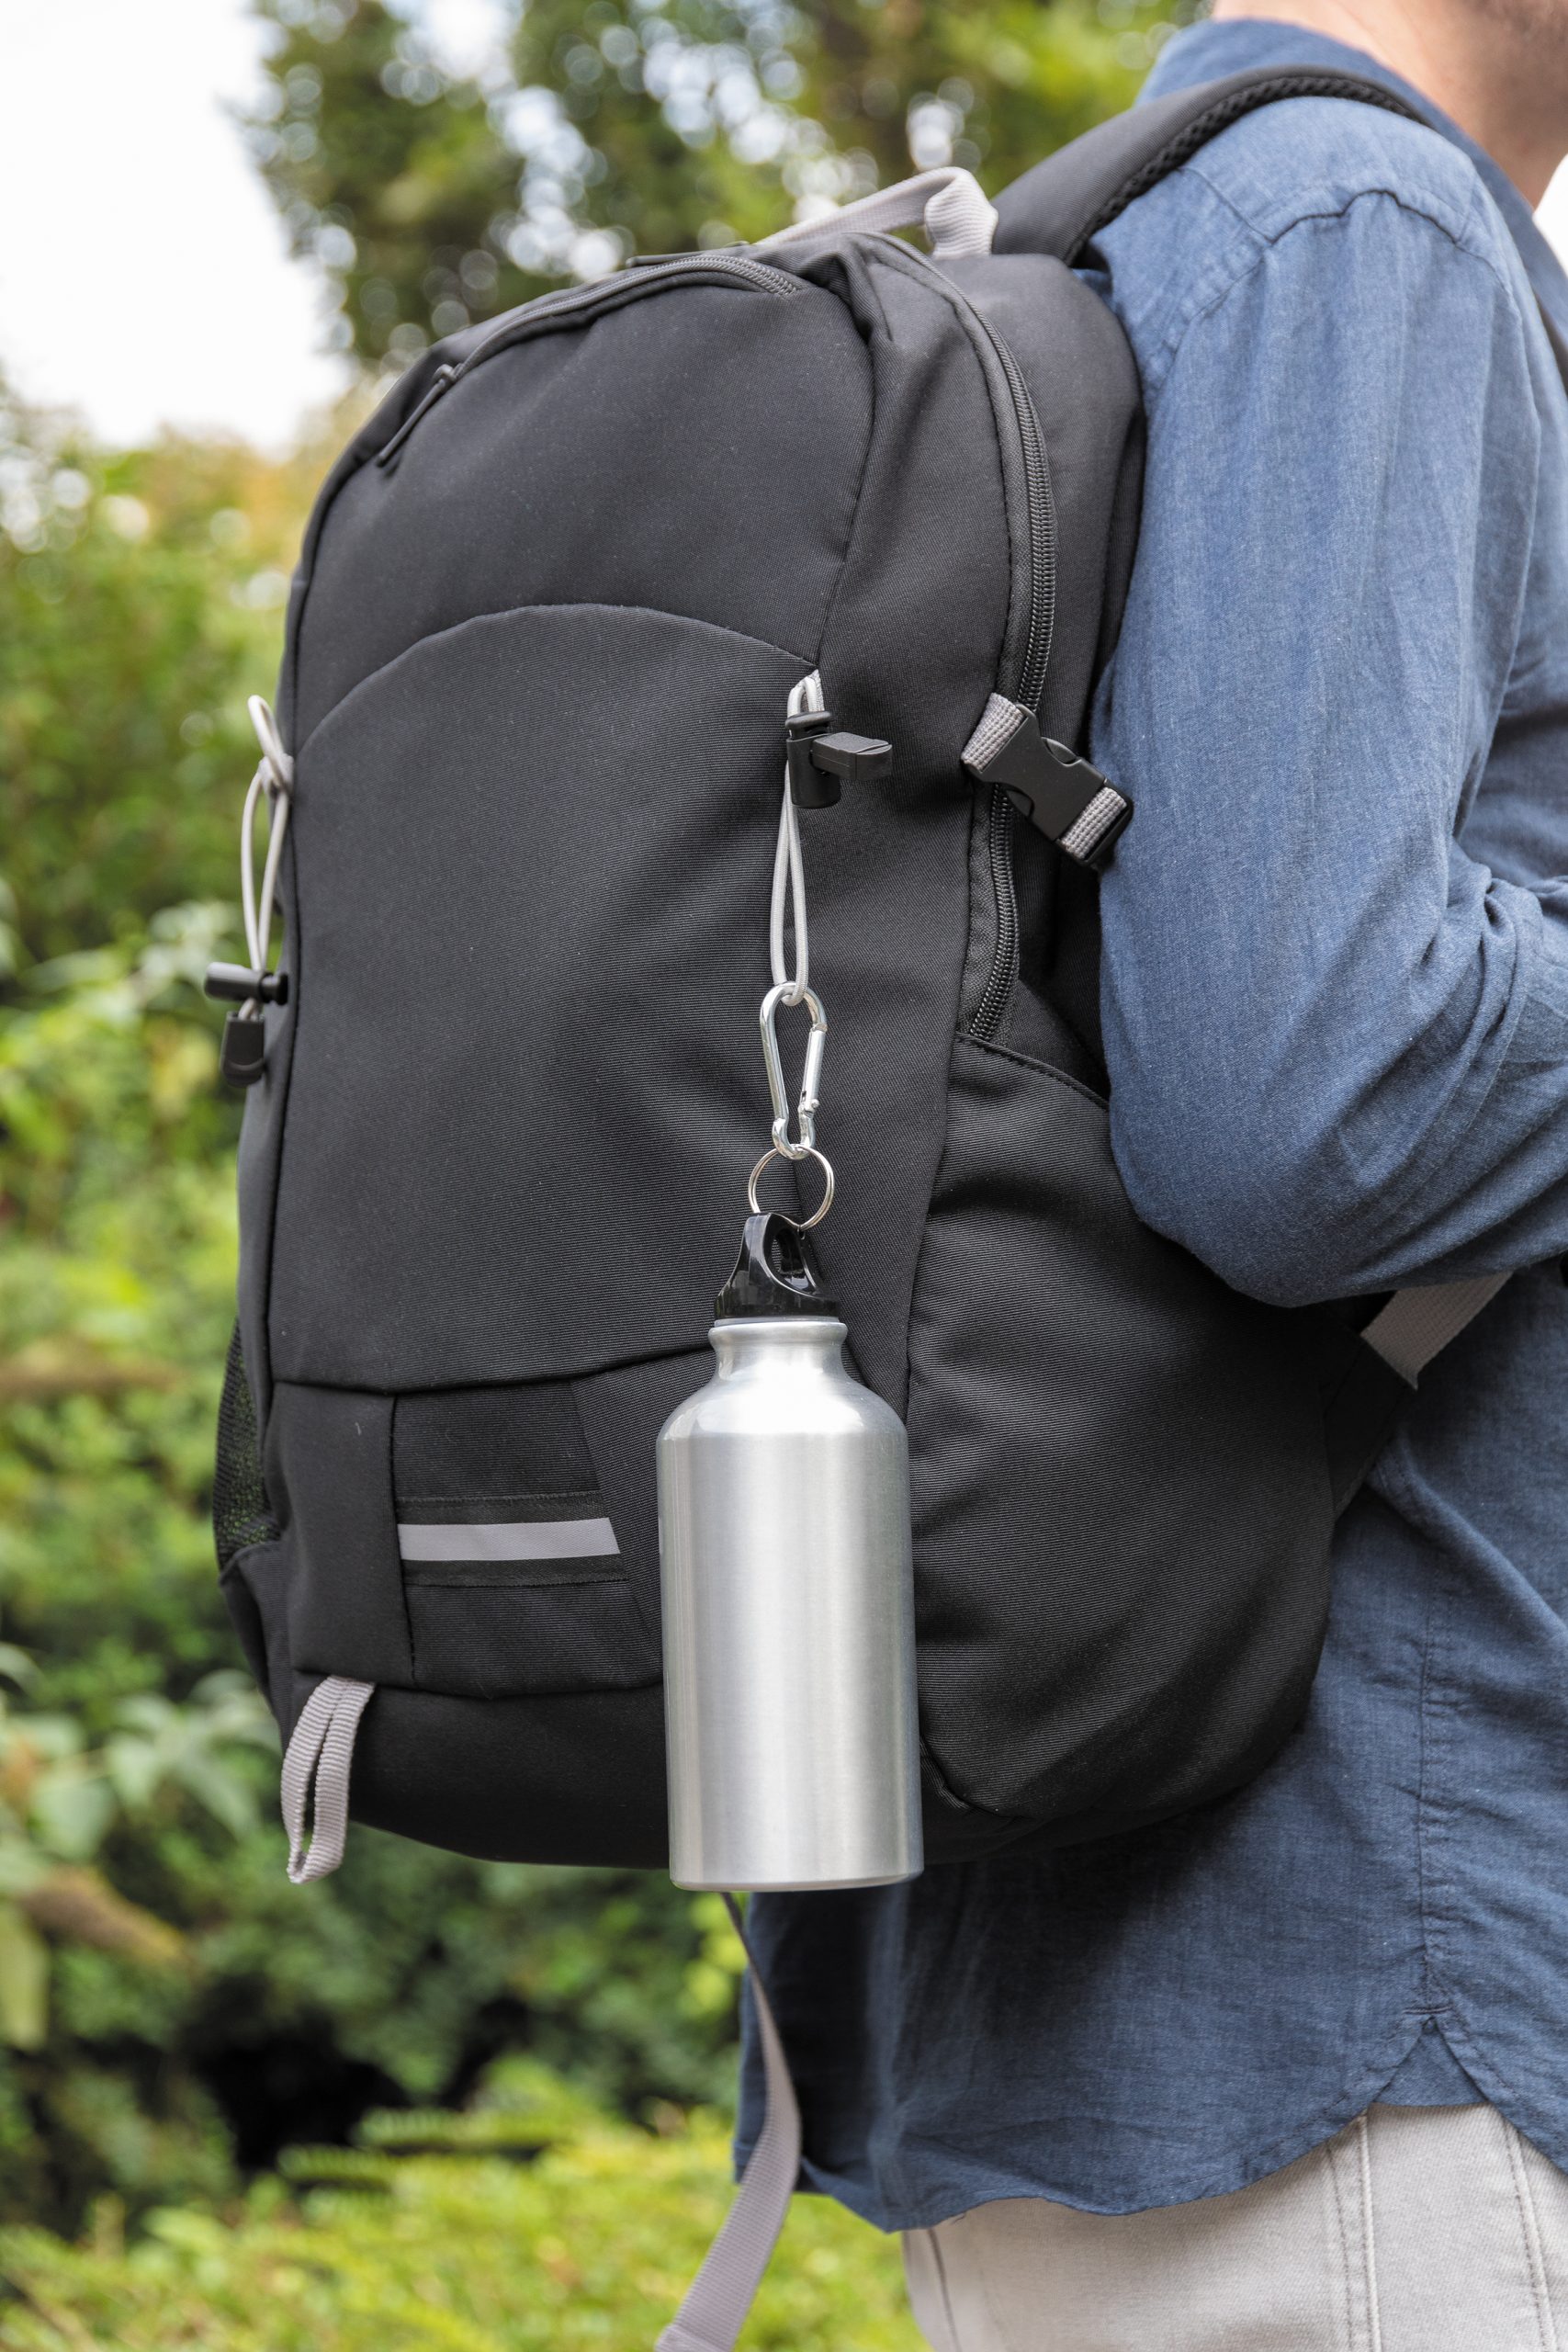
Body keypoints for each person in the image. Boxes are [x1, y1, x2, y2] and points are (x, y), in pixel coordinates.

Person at [737, 4, 1568, 2344]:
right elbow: (1305, 1102)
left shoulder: (1136, 238)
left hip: (1229, 2000)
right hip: (1367, 2025)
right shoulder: (1356, 223)